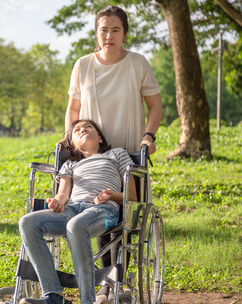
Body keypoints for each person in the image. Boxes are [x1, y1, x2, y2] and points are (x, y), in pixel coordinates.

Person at [65, 5, 163, 287]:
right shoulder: (83, 65)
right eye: (103, 29)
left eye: (115, 30)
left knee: (125, 219)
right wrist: (71, 137)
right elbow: (73, 109)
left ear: (124, 33)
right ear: (96, 33)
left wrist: (149, 137)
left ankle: (119, 281)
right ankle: (108, 283)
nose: (109, 35)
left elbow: (155, 106)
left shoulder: (137, 63)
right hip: (92, 154)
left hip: (128, 150)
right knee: (96, 210)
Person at [18, 119, 137, 304]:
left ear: (100, 138)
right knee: (28, 222)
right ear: (72, 143)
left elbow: (132, 196)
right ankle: (54, 299)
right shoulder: (70, 165)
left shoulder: (116, 154)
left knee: (75, 225)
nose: (82, 130)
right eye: (77, 130)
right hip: (71, 209)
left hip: (104, 210)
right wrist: (58, 202)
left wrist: (112, 195)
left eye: (88, 127)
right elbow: (64, 192)